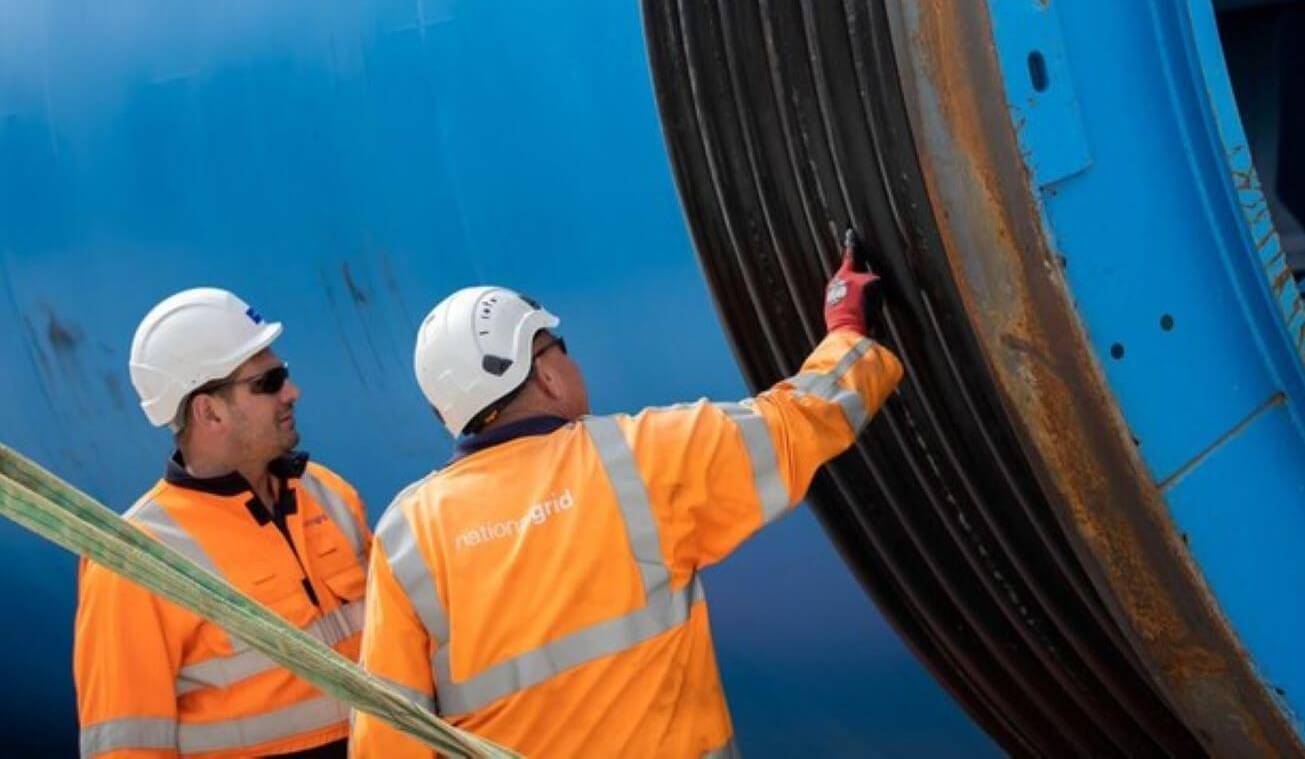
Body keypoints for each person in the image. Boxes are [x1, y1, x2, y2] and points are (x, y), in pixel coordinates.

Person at [352, 241, 895, 757]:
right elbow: (801, 421)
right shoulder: (638, 459)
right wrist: (847, 325)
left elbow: (387, 732)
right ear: (545, 375)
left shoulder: (408, 535)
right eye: (561, 348)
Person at [76, 288, 372, 758]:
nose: (291, 392)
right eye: (269, 381)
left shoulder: (330, 494)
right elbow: (126, 747)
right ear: (208, 411)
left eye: (284, 374)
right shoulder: (134, 562)